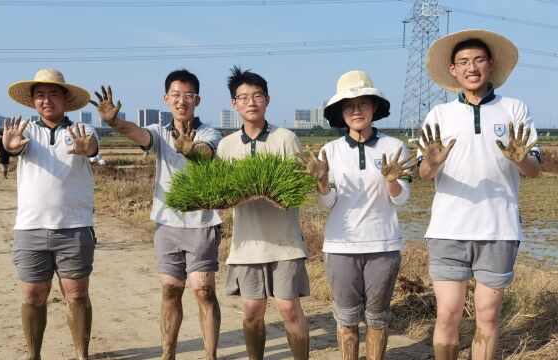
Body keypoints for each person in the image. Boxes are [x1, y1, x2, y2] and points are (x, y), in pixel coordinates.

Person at [418, 30, 541, 360]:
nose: (471, 67)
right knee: (448, 314)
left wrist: (520, 158)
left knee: (487, 315)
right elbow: (422, 173)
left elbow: (534, 169)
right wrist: (430, 162)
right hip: (448, 229)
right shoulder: (439, 116)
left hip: (498, 228)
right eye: (463, 62)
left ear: (491, 64)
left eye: (478, 60)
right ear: (453, 69)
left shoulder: (514, 110)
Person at [89, 69, 223, 360]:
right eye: (176, 94)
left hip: (203, 222)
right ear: (166, 99)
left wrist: (191, 150)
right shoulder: (159, 132)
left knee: (203, 290)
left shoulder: (209, 132)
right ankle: (168, 353)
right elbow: (135, 133)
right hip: (167, 223)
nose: (182, 100)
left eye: (188, 94)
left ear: (197, 99)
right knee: (170, 289)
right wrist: (113, 121)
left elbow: (207, 152)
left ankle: (210, 355)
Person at [297, 70, 413, 359]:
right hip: (340, 247)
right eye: (349, 106)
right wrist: (322, 183)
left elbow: (402, 200)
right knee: (346, 321)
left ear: (374, 107)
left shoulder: (394, 148)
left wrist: (391, 181)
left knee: (377, 319)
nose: (356, 110)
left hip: (382, 247)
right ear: (341, 112)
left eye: (363, 103)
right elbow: (328, 202)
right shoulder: (330, 151)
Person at [216, 66, 310, 360]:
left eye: (257, 96)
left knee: (288, 307)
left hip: (284, 241)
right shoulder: (227, 146)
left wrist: (272, 189)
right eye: (243, 97)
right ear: (235, 104)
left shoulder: (285, 138)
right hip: (246, 245)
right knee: (251, 310)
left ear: (267, 100)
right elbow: (218, 197)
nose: (251, 102)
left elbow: (299, 188)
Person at [6, 68, 98, 360]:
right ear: (33, 101)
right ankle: (33, 354)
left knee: (77, 294)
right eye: (40, 96)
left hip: (74, 226)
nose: (47, 101)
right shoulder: (26, 132)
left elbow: (92, 148)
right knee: (33, 295)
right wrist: (9, 147)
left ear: (65, 99)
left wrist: (87, 148)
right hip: (30, 227)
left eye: (53, 94)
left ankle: (81, 354)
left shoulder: (83, 130)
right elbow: (11, 147)